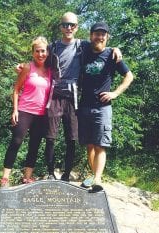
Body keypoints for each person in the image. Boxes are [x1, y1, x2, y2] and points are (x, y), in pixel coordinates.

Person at [16, 12, 122, 182]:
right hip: (55, 93)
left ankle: (66, 174)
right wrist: (23, 66)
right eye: (65, 25)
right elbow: (39, 58)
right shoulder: (53, 47)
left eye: (72, 25)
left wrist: (115, 49)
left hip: (73, 95)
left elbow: (100, 45)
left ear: (77, 27)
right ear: (61, 27)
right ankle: (51, 172)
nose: (69, 28)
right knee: (50, 137)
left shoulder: (83, 45)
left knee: (71, 138)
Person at [78, 22, 134, 190]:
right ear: (91, 36)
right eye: (97, 34)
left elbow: (129, 76)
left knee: (100, 144)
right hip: (84, 106)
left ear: (107, 37)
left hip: (103, 108)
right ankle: (94, 174)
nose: (100, 37)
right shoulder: (84, 50)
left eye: (103, 34)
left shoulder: (112, 55)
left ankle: (97, 179)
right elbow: (69, 39)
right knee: (89, 145)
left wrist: (115, 93)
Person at [0, 36, 52, 187]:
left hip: (41, 114)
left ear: (47, 52)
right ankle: (5, 178)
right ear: (32, 52)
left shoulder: (50, 70)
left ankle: (27, 177)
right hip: (24, 110)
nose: (40, 54)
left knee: (34, 145)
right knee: (16, 142)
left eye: (43, 51)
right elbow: (16, 89)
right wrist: (15, 110)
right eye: (37, 51)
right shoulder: (28, 67)